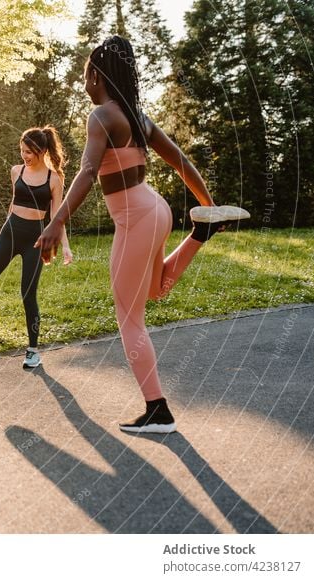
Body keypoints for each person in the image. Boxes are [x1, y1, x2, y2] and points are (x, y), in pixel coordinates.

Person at [35, 36, 249, 433]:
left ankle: (157, 410)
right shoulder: (138, 117)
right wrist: (208, 203)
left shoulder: (101, 116)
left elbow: (84, 172)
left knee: (128, 318)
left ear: (96, 75)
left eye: (85, 73)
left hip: (136, 220)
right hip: (157, 210)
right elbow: (181, 161)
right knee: (153, 290)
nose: (84, 81)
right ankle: (199, 234)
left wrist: (57, 220)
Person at [0, 127, 73, 369]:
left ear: (40, 151)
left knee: (28, 294)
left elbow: (56, 217)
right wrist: (3, 233)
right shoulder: (16, 171)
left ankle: (33, 351)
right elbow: (13, 203)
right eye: (22, 151)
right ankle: (30, 348)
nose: (24, 156)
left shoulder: (54, 179)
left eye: (29, 152)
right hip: (9, 234)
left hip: (35, 241)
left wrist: (65, 247)